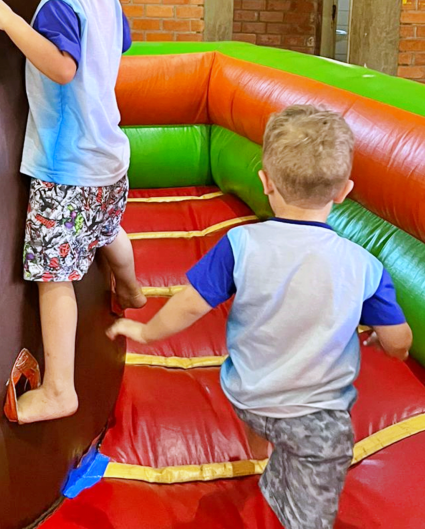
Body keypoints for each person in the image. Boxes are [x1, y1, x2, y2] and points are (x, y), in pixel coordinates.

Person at [108, 104, 412, 529]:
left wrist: (145, 331)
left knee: (264, 412)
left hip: (247, 395)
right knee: (312, 502)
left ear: (266, 182)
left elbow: (189, 303)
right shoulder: (364, 266)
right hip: (314, 419)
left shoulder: (240, 244)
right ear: (343, 191)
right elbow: (398, 340)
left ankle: (260, 450)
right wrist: (391, 347)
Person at [0, 0, 145, 424]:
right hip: (109, 157)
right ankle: (131, 287)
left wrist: (9, 21)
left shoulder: (57, 3)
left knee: (55, 275)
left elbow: (61, 66)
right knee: (108, 230)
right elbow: (118, 44)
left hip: (67, 167)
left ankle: (59, 389)